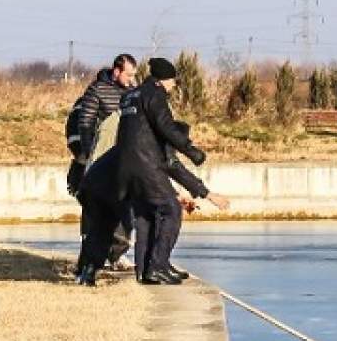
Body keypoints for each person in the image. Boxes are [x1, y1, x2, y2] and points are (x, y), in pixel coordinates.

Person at [116, 57, 231, 285]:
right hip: (146, 164)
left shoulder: (132, 95)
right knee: (171, 210)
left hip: (125, 166)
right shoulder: (155, 95)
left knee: (145, 216)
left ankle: (147, 270)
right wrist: (192, 152)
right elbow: (166, 130)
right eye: (172, 81)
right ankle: (157, 267)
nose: (174, 85)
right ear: (161, 80)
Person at [64, 53, 137, 197]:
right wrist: (90, 154)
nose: (132, 80)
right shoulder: (97, 90)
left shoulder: (132, 92)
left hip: (125, 151)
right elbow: (86, 123)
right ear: (117, 71)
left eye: (133, 75)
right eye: (128, 75)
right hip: (103, 150)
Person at [71, 145, 132, 286]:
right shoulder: (136, 148)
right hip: (102, 190)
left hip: (94, 186)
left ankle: (85, 272)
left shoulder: (126, 145)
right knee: (103, 230)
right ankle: (88, 271)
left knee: (99, 232)